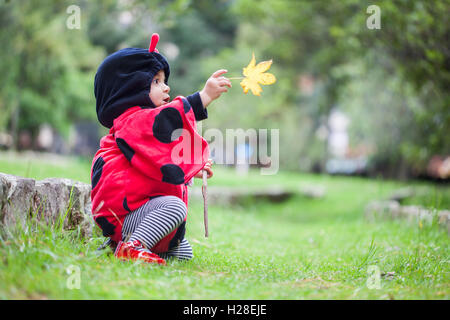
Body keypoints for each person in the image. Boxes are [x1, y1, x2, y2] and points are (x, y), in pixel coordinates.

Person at [91, 33, 231, 265]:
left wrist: (190, 169)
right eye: (156, 81)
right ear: (129, 87)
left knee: (183, 251)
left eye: (164, 80)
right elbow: (165, 120)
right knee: (174, 207)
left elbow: (157, 160)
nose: (166, 88)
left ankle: (122, 244)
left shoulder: (139, 127)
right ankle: (130, 246)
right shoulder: (132, 122)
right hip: (124, 213)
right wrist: (203, 97)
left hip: (139, 213)